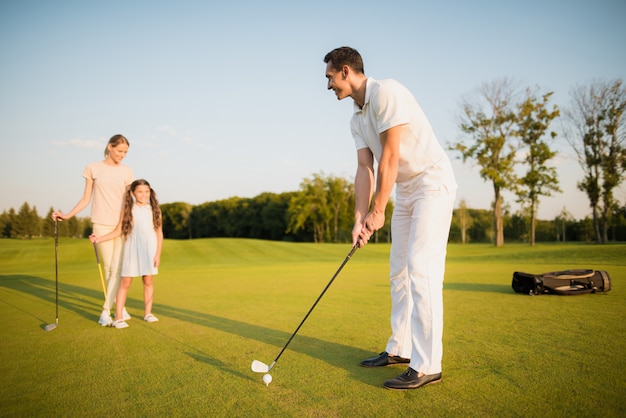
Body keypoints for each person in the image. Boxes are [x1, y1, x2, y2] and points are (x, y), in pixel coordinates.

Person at [323, 47, 457, 390]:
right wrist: (359, 217)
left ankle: (428, 364)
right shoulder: (356, 116)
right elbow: (365, 169)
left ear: (346, 71)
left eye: (329, 77)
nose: (328, 86)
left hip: (432, 182)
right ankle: (400, 348)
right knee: (399, 269)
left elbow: (392, 156)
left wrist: (378, 210)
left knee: (420, 267)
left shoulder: (387, 93)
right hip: (407, 192)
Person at [52, 134, 134, 326]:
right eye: (120, 151)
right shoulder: (93, 168)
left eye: (126, 152)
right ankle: (114, 307)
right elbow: (85, 198)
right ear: (110, 147)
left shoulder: (127, 172)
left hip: (121, 225)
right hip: (101, 223)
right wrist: (67, 215)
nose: (123, 155)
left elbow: (128, 201)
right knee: (109, 269)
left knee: (118, 270)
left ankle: (108, 310)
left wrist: (125, 221)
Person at [89, 179, 163, 329]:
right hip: (131, 249)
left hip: (149, 250)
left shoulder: (155, 210)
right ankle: (119, 317)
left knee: (148, 281)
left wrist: (157, 254)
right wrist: (99, 238)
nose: (144, 195)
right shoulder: (128, 210)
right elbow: (118, 231)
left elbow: (159, 233)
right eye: (140, 192)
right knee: (125, 282)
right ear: (133, 193)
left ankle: (148, 313)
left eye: (147, 191)